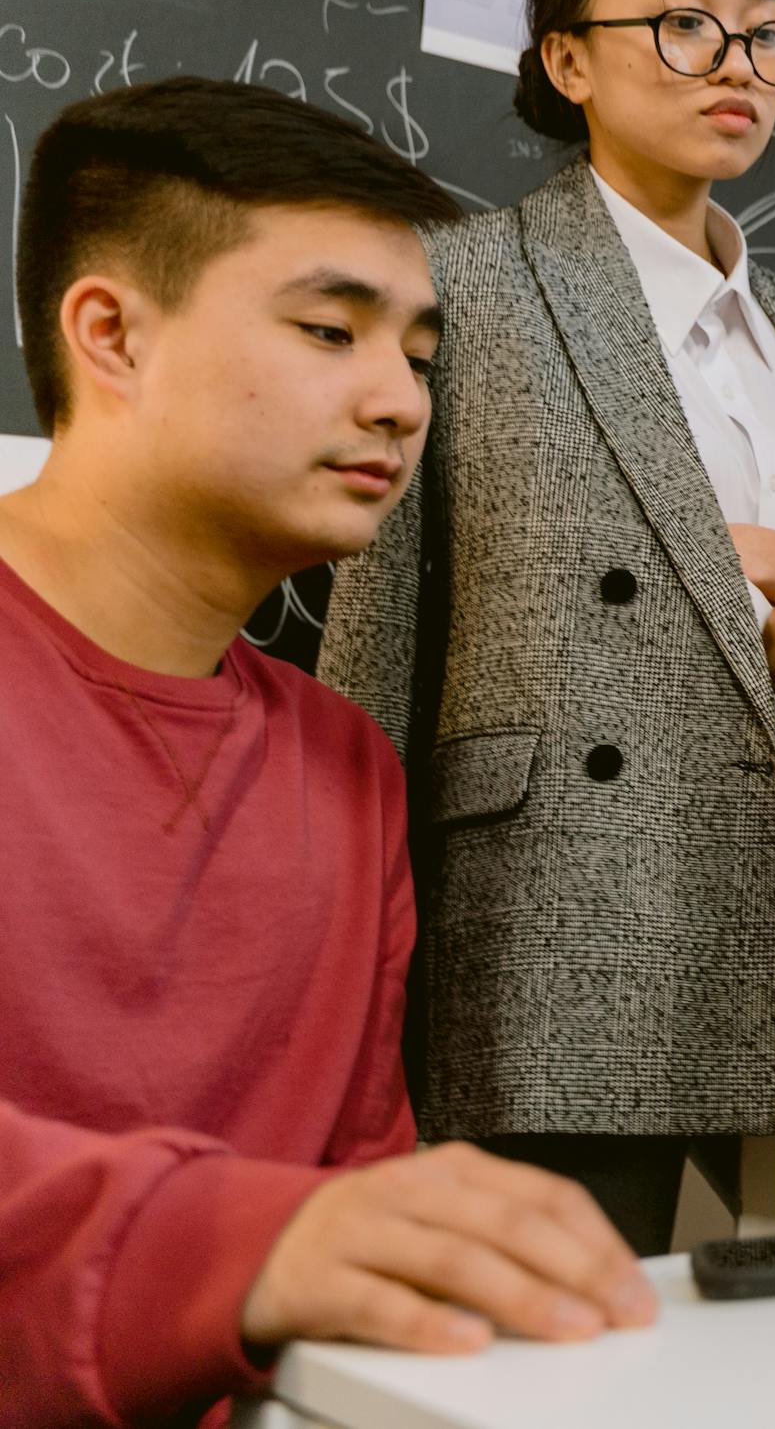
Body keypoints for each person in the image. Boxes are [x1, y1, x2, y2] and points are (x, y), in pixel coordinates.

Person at [317, 0, 775, 1254]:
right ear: (567, 59)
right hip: (568, 918)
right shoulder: (460, 281)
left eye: (764, 32)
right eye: (684, 25)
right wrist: (341, 974)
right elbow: (372, 647)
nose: (737, 64)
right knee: (557, 1348)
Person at [0, 78, 652, 1429]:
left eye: (418, 352)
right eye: (326, 328)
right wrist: (243, 1240)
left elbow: (363, 1181)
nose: (399, 401)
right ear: (110, 333)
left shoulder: (343, 766)